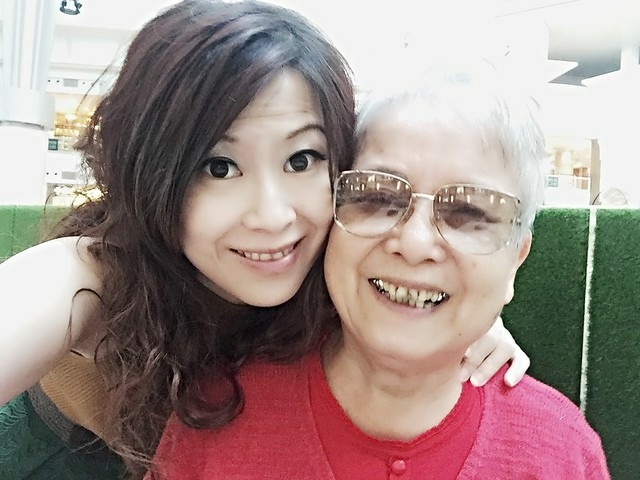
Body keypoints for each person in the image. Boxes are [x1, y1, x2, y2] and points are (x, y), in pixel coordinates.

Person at [0, 2, 529, 479]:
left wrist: (457, 319)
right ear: (152, 174)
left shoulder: (339, 263)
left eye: (302, 159)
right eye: (219, 167)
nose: (274, 216)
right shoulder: (91, 276)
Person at [148, 58, 610, 479]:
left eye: (468, 212)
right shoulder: (215, 416)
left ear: (515, 260)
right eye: (378, 197)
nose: (414, 244)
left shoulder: (562, 455)